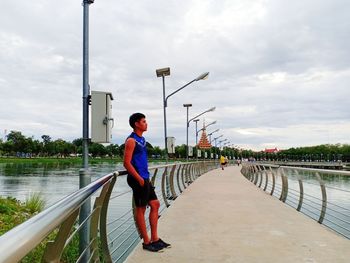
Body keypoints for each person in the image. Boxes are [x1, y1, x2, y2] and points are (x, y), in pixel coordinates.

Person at [124, 113, 171, 252]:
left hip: (145, 177)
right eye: (144, 121)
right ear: (136, 124)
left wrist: (144, 178)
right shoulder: (131, 141)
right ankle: (146, 241)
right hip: (137, 179)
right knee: (141, 209)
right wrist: (138, 178)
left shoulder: (142, 139)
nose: (146, 123)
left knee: (155, 204)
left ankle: (155, 238)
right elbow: (126, 163)